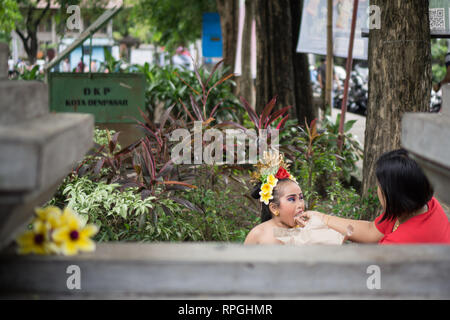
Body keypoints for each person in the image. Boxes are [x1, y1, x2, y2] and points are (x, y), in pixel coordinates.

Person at [296, 149, 450, 244]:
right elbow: (371, 231)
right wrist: (322, 218)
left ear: (394, 194)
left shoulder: (397, 244)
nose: (377, 189)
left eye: (379, 185)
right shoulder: (421, 204)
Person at [244, 153, 305, 244]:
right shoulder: (259, 234)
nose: (300, 204)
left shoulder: (305, 231)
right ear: (274, 208)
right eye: (292, 199)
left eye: (301, 198)